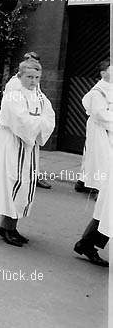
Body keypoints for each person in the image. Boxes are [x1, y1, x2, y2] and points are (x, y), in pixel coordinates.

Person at [0, 60, 55, 246]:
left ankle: (12, 226)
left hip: (30, 146)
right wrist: (37, 124)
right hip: (13, 144)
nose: (33, 81)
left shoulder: (41, 98)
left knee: (25, 184)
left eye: (37, 78)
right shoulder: (14, 96)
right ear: (20, 76)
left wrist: (38, 125)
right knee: (13, 182)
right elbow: (20, 121)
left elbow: (49, 119)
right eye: (29, 77)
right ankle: (6, 227)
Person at [73, 60, 112, 266]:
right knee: (108, 204)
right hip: (108, 152)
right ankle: (87, 243)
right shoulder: (99, 93)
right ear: (103, 72)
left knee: (108, 206)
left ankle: (87, 243)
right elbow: (101, 116)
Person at [3, 52, 52, 188]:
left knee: (31, 154)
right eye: (29, 60)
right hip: (16, 128)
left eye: (35, 61)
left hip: (33, 125)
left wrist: (40, 123)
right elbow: (13, 109)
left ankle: (33, 176)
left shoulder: (34, 79)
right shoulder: (15, 84)